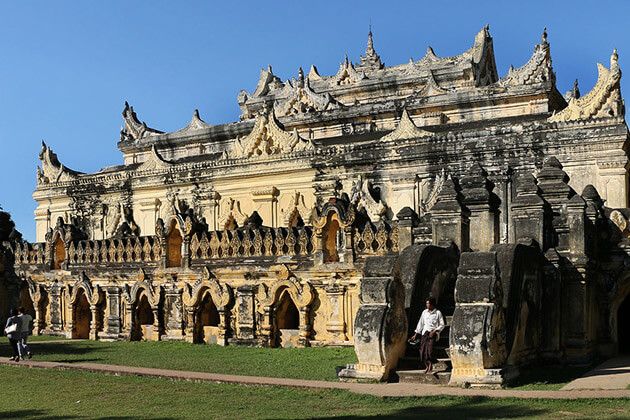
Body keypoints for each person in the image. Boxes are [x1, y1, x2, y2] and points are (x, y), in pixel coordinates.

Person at [409, 297, 445, 373]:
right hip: (424, 333)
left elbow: (442, 324)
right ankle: (427, 365)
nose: (427, 305)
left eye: (428, 303)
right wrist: (416, 334)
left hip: (432, 334)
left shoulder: (438, 313)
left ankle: (430, 365)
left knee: (430, 351)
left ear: (431, 304)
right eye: (426, 303)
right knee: (422, 351)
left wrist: (435, 331)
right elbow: (420, 323)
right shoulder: (424, 312)